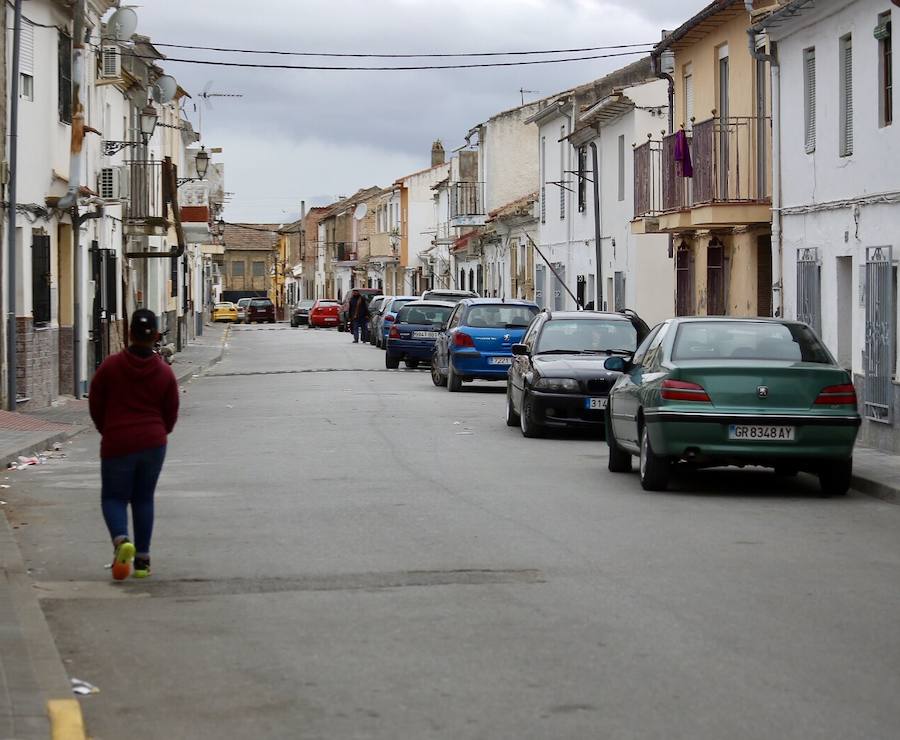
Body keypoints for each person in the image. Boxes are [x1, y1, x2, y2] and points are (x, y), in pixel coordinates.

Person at [88, 309, 180, 580]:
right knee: (143, 498)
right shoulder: (164, 373)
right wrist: (160, 432)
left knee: (114, 497)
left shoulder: (110, 366)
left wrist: (107, 429)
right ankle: (142, 561)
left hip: (118, 441)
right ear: (156, 336)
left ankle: (120, 540)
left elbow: (96, 403)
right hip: (153, 443)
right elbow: (171, 411)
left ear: (129, 333)